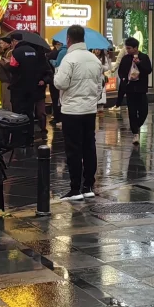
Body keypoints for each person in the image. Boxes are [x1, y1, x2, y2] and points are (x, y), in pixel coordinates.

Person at [53, 24, 103, 200]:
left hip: (72, 110)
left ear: (68, 39)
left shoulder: (69, 59)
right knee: (89, 146)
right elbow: (99, 85)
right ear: (83, 38)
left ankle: (75, 188)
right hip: (89, 110)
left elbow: (60, 83)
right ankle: (88, 185)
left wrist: (56, 72)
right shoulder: (94, 59)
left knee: (74, 149)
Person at [7, 32, 51, 140]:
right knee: (29, 112)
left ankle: (18, 136)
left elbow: (12, 68)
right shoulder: (35, 52)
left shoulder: (16, 52)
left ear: (14, 41)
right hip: (32, 88)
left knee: (17, 112)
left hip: (18, 88)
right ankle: (30, 135)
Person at [115, 36, 152, 133]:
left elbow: (148, 70)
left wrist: (139, 63)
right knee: (132, 111)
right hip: (129, 88)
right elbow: (121, 71)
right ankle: (135, 132)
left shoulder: (144, 57)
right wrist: (123, 78)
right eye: (126, 48)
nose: (127, 50)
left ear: (135, 48)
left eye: (129, 48)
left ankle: (137, 126)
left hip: (141, 89)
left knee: (144, 111)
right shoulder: (126, 58)